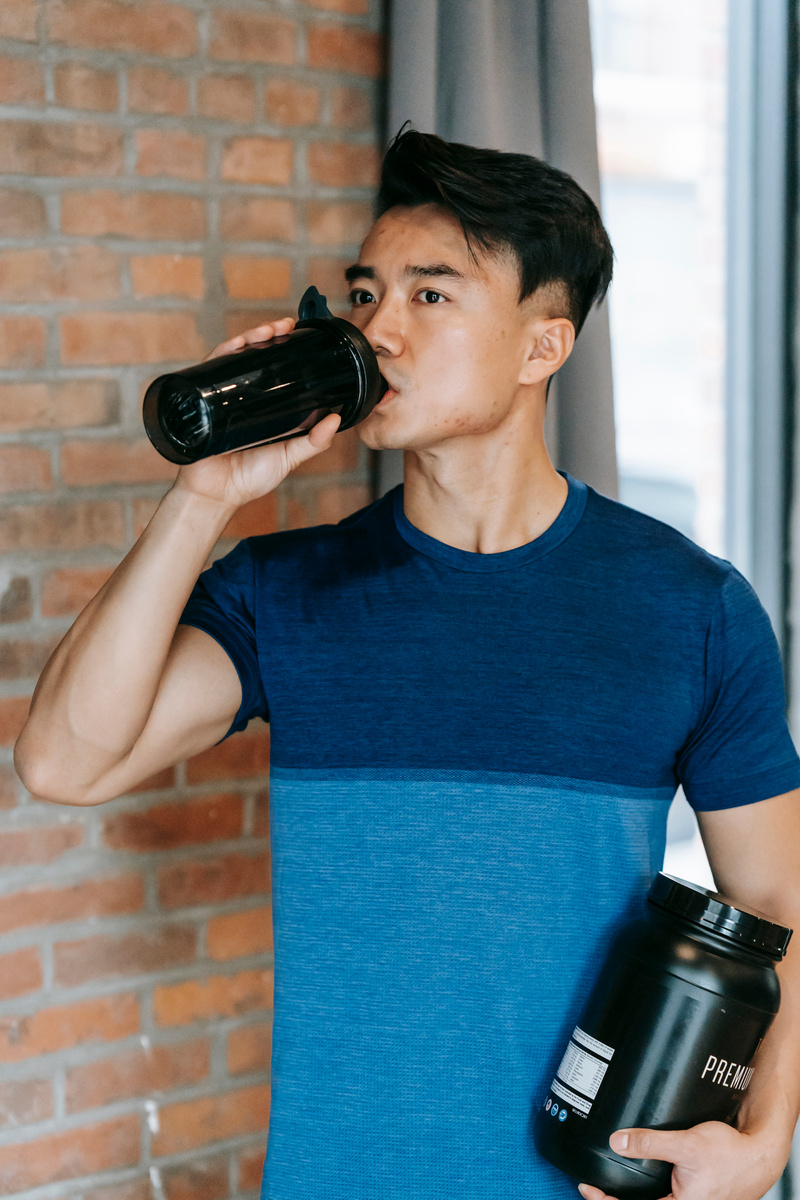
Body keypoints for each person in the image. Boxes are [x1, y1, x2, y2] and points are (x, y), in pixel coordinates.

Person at [15, 128, 800, 1200]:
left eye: (430, 296)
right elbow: (64, 762)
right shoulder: (282, 590)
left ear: (542, 347)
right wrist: (202, 495)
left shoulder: (690, 608)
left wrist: (763, 1143)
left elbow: (776, 903)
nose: (377, 329)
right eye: (364, 293)